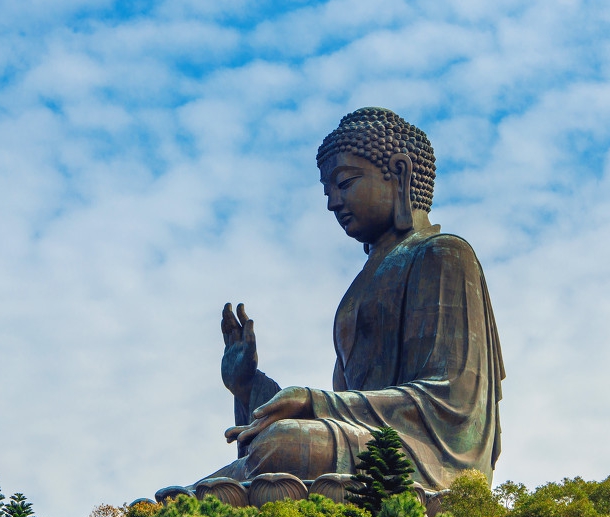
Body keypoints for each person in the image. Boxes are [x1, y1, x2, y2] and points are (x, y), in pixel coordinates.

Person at [201, 107, 504, 490]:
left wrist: (313, 401)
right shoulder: (360, 289)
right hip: (366, 444)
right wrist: (248, 386)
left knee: (281, 446)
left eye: (344, 183)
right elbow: (347, 407)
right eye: (328, 191)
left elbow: (452, 403)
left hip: (427, 456)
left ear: (399, 172)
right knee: (226, 475)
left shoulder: (443, 255)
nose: (333, 203)